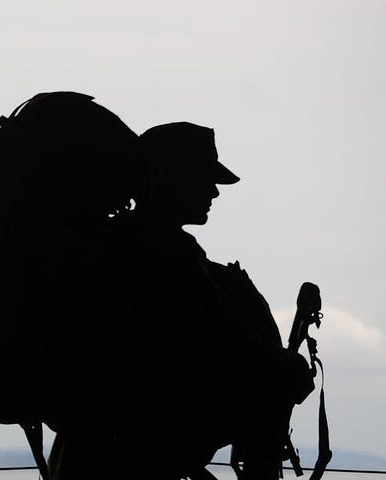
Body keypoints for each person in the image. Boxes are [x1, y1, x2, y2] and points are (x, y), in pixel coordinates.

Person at [64, 122, 312, 480]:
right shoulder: (162, 250)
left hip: (97, 448)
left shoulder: (125, 240)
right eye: (204, 177)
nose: (214, 192)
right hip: (133, 451)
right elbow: (220, 337)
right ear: (170, 176)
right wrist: (287, 365)